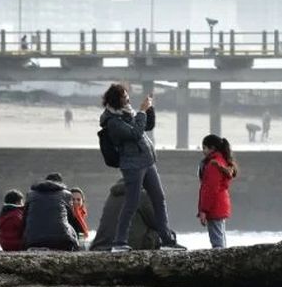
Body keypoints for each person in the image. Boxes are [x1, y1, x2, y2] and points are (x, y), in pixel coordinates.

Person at [99, 83, 184, 252]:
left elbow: (147, 126)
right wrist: (142, 112)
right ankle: (119, 242)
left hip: (147, 161)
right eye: (124, 96)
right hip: (132, 165)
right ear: (116, 99)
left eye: (127, 95)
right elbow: (134, 133)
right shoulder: (112, 121)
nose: (127, 98)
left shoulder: (127, 112)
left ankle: (167, 240)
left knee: (159, 199)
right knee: (132, 203)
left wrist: (149, 109)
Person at [90, 181, 162, 251]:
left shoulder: (112, 196)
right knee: (157, 234)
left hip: (101, 246)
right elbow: (158, 224)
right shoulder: (141, 195)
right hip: (129, 246)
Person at [198, 134, 238, 248]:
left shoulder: (213, 164)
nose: (203, 151)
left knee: (217, 242)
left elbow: (210, 189)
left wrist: (204, 210)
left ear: (212, 148)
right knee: (220, 237)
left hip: (214, 206)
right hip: (220, 204)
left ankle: (221, 264)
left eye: (204, 148)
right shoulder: (222, 161)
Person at [23, 172, 80, 251]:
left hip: (33, 241)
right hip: (62, 241)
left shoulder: (30, 194)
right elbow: (71, 219)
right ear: (61, 183)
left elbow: (24, 219)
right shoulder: (66, 194)